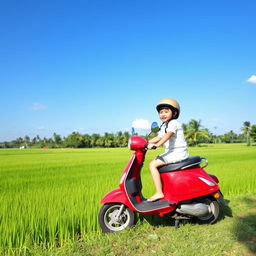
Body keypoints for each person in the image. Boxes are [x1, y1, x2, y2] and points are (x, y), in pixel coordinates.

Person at [147, 98, 189, 202]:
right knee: (154, 162)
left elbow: (168, 135)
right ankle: (164, 190)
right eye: (161, 112)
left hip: (178, 153)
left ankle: (159, 192)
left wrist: (156, 145)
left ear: (174, 113)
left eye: (166, 111)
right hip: (171, 152)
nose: (163, 114)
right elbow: (158, 136)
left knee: (152, 165)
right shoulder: (166, 125)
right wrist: (145, 143)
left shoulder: (173, 123)